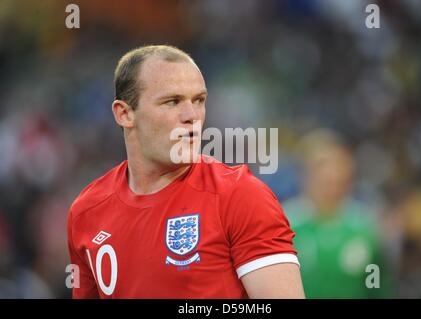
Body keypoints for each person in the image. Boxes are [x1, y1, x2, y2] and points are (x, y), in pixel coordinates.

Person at [67, 45, 304, 299]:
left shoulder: (241, 196)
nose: (192, 116)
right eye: (172, 101)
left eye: (199, 100)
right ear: (124, 114)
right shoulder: (87, 212)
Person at [283, 129, 392, 298]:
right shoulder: (285, 225)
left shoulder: (365, 228)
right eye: (325, 178)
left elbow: (378, 285)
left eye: (337, 178)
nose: (331, 183)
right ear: (306, 176)